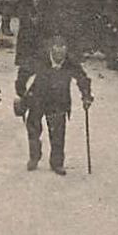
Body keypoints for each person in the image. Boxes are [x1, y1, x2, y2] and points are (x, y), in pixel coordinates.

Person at [14, 35, 93, 174]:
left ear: (66, 51)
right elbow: (24, 71)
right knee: (33, 129)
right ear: (51, 50)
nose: (59, 55)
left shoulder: (70, 62)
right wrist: (21, 91)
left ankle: (57, 163)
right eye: (56, 51)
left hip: (59, 101)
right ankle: (34, 157)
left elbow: (82, 78)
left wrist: (86, 96)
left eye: (62, 51)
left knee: (58, 133)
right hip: (37, 98)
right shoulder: (41, 59)